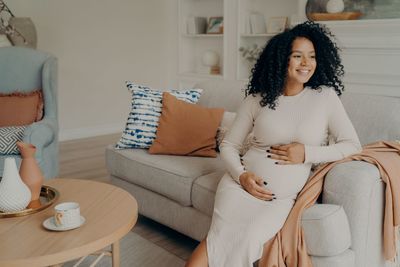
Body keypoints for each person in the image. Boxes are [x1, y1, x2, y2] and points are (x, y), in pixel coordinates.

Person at [185, 21, 362, 267]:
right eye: (297, 56)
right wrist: (242, 176)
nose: (306, 63)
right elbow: (229, 145)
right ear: (281, 60)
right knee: (212, 247)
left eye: (311, 56)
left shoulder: (325, 97)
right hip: (238, 189)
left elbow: (353, 145)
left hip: (278, 200)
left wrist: (306, 153)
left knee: (248, 239)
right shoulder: (257, 99)